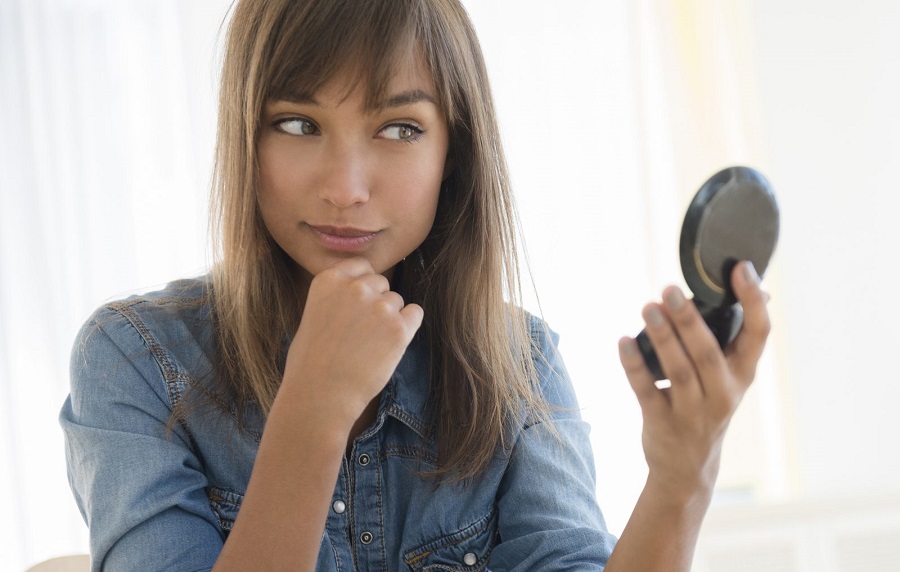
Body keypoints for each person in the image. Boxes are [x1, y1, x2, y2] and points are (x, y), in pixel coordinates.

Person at [60, 0, 770, 570]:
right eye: (298, 123)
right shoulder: (136, 360)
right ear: (245, 136)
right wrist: (312, 412)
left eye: (399, 128)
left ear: (452, 155)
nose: (344, 189)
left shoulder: (519, 364)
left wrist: (682, 479)